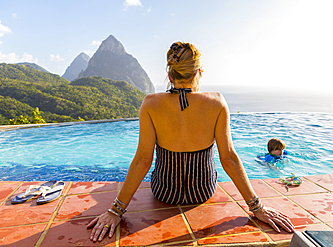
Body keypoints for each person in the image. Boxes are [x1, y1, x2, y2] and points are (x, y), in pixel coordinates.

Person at [87, 42, 295, 242]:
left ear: (170, 75)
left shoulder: (151, 104)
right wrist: (257, 208)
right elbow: (229, 158)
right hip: (202, 192)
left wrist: (116, 211)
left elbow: (143, 160)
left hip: (164, 192)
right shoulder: (217, 102)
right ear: (198, 73)